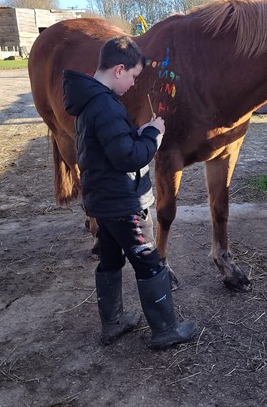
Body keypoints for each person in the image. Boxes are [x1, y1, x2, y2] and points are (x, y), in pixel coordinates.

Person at [62, 36, 197, 349]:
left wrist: (135, 134)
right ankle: (165, 330)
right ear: (119, 69)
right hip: (124, 204)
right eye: (134, 76)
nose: (134, 84)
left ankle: (112, 323)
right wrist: (153, 136)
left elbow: (108, 146)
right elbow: (128, 158)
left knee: (109, 260)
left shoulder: (88, 100)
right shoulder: (107, 104)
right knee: (149, 262)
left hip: (102, 201)